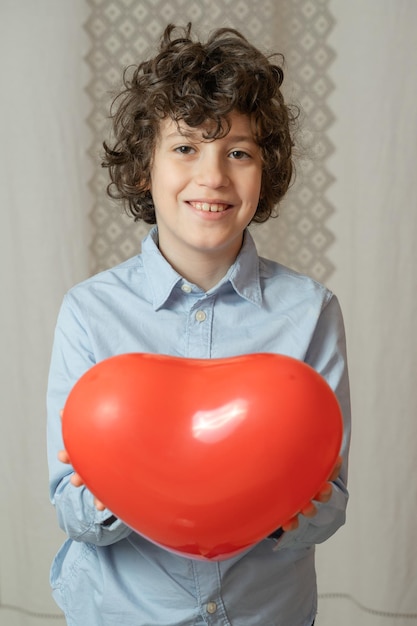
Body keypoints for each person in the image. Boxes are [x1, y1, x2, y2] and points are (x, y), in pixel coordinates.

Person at [47, 23, 350, 626]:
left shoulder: (311, 310)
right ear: (143, 168)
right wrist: (114, 488)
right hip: (123, 614)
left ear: (265, 174)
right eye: (185, 147)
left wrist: (291, 504)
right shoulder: (88, 311)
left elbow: (331, 504)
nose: (213, 176)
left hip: (268, 614)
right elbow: (68, 504)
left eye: (238, 152)